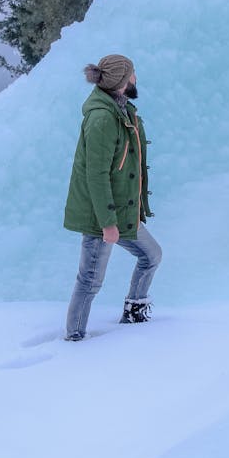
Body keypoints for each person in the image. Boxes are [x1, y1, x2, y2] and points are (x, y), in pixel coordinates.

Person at [64, 54, 162, 341]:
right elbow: (96, 175)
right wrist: (107, 222)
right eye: (132, 74)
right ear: (122, 81)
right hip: (102, 215)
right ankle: (74, 338)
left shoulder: (119, 109)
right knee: (90, 280)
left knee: (151, 255)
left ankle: (134, 314)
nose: (135, 79)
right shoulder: (102, 119)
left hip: (121, 211)